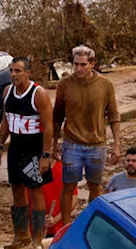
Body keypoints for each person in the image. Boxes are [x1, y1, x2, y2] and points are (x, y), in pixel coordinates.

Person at [52, 44, 121, 227]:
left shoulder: (105, 85)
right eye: (76, 64)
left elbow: (113, 115)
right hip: (72, 143)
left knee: (95, 187)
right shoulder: (65, 85)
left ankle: (93, 225)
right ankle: (66, 227)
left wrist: (117, 145)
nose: (79, 69)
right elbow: (57, 115)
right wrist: (55, 142)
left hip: (97, 144)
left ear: (92, 64)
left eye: (83, 64)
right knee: (68, 186)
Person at [0, 56, 55, 249]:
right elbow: (5, 119)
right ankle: (21, 234)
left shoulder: (38, 94)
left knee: (35, 189)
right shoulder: (7, 92)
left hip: (33, 148)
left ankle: (37, 238)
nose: (13, 75)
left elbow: (48, 127)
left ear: (28, 72)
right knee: (16, 188)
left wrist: (46, 154)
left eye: (18, 71)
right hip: (16, 147)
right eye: (11, 70)